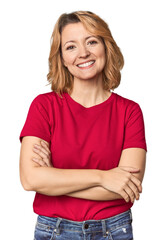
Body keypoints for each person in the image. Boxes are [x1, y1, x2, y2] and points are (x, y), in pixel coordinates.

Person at [19, 11, 147, 240]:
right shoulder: (44, 106)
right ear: (61, 59)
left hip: (114, 230)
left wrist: (54, 179)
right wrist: (103, 177)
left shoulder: (130, 111)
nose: (83, 53)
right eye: (71, 47)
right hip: (53, 231)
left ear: (106, 47)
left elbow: (128, 187)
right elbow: (31, 179)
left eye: (91, 41)